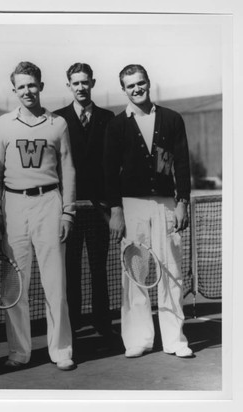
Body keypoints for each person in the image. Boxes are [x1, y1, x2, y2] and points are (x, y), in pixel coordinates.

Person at [0, 61, 76, 371]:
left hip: (49, 203)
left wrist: (68, 211)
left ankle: (61, 350)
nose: (27, 90)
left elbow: (68, 168)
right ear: (14, 90)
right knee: (15, 285)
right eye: (21, 86)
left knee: (55, 283)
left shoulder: (58, 123)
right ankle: (20, 351)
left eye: (32, 85)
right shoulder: (3, 125)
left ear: (41, 86)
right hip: (14, 206)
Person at [103, 64, 194, 358]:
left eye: (140, 83)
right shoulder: (116, 126)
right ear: (124, 90)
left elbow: (182, 164)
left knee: (172, 272)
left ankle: (174, 340)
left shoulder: (171, 119)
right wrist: (116, 209)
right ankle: (138, 340)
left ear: (148, 83)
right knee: (136, 274)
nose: (136, 89)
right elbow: (108, 173)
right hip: (132, 208)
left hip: (167, 206)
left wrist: (182, 202)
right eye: (130, 86)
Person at [54, 63, 117, 341]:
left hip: (98, 208)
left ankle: (103, 321)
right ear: (69, 85)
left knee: (99, 266)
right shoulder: (58, 119)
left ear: (92, 83)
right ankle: (74, 323)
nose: (81, 87)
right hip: (69, 208)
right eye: (75, 83)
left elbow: (113, 167)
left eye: (85, 82)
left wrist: (113, 206)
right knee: (71, 267)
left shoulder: (107, 118)